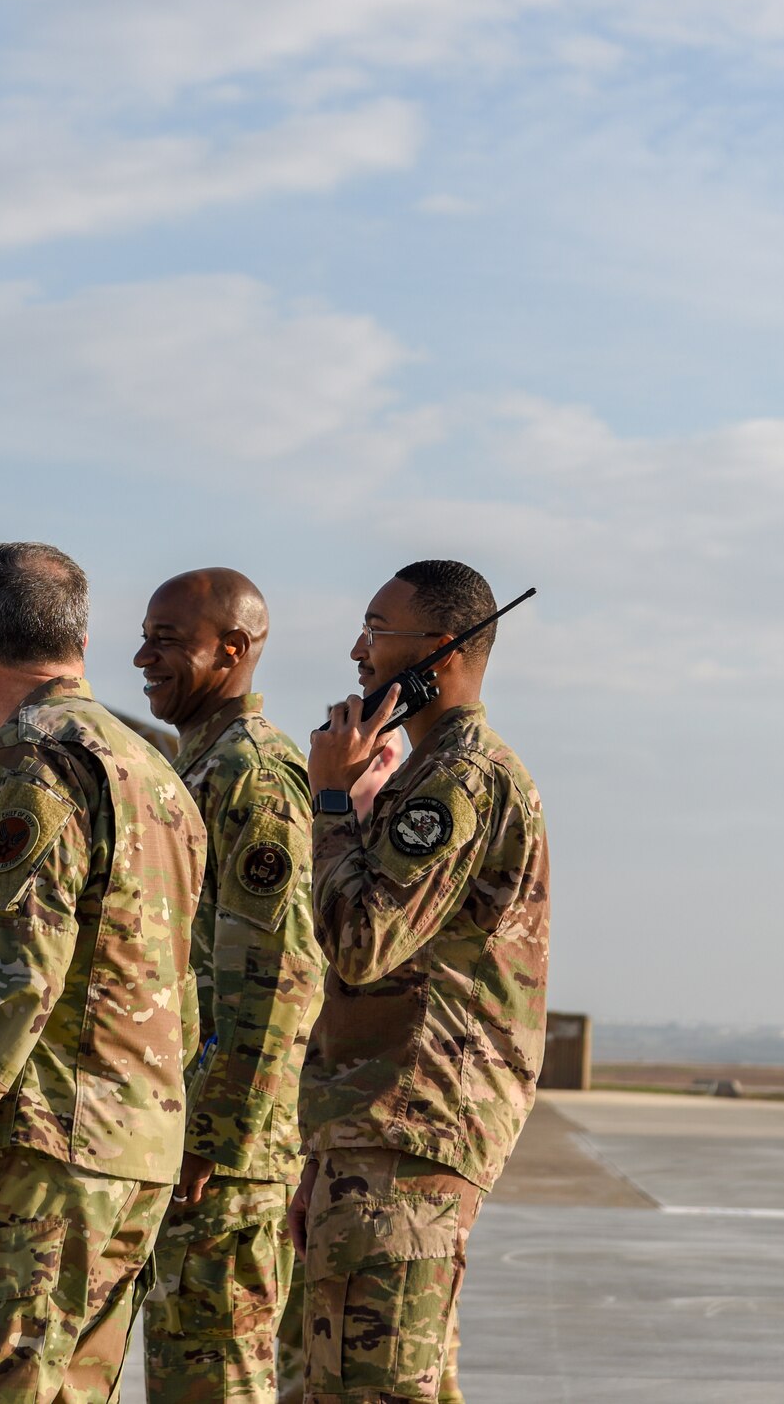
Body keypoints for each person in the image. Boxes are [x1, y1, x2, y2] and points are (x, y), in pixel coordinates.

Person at [0, 542, 205, 1404]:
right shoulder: (158, 775)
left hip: (37, 1158)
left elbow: (17, 970)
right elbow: (186, 978)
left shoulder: (33, 760)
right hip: (134, 1156)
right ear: (83, 643)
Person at [295, 559, 551, 1404]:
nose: (358, 649)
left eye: (377, 629)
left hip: (406, 1130)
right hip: (378, 1127)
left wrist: (331, 800)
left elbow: (364, 940)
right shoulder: (431, 772)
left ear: (437, 650)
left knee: (366, 1387)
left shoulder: (457, 778)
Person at [133, 568, 323, 1404]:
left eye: (168, 640)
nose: (142, 656)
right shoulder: (197, 767)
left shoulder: (247, 773)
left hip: (227, 1158)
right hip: (197, 1140)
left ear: (234, 650)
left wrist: (213, 1134)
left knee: (217, 1376)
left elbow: (279, 971)